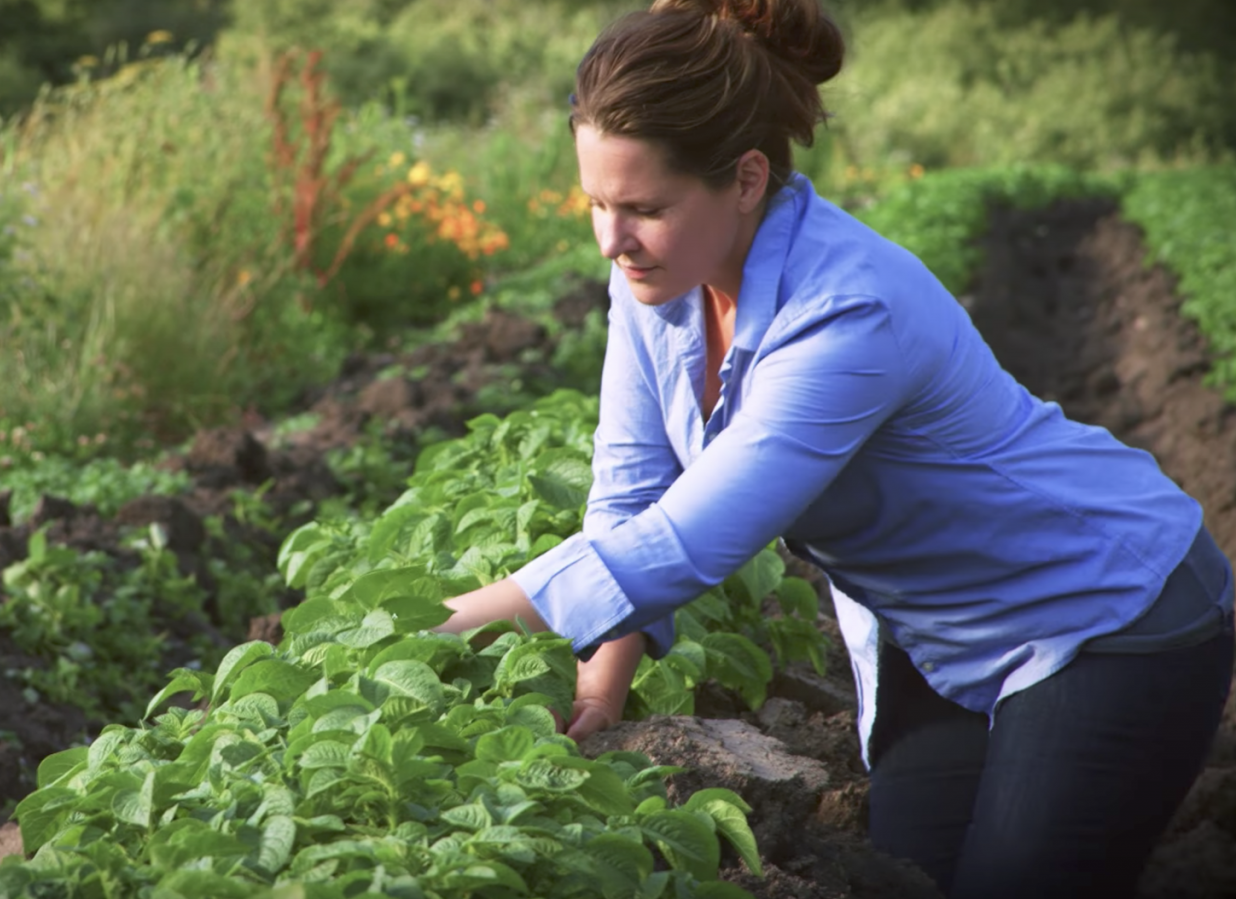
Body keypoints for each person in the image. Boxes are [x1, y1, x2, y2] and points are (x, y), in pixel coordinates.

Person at [430, 0, 1236, 896]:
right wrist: (599, 693)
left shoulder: (848, 312)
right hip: (938, 634)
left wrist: (436, 627)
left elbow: (690, 542)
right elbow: (630, 496)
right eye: (596, 204)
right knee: (904, 877)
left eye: (644, 208)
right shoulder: (656, 283)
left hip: (1101, 611)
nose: (612, 240)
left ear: (745, 179)